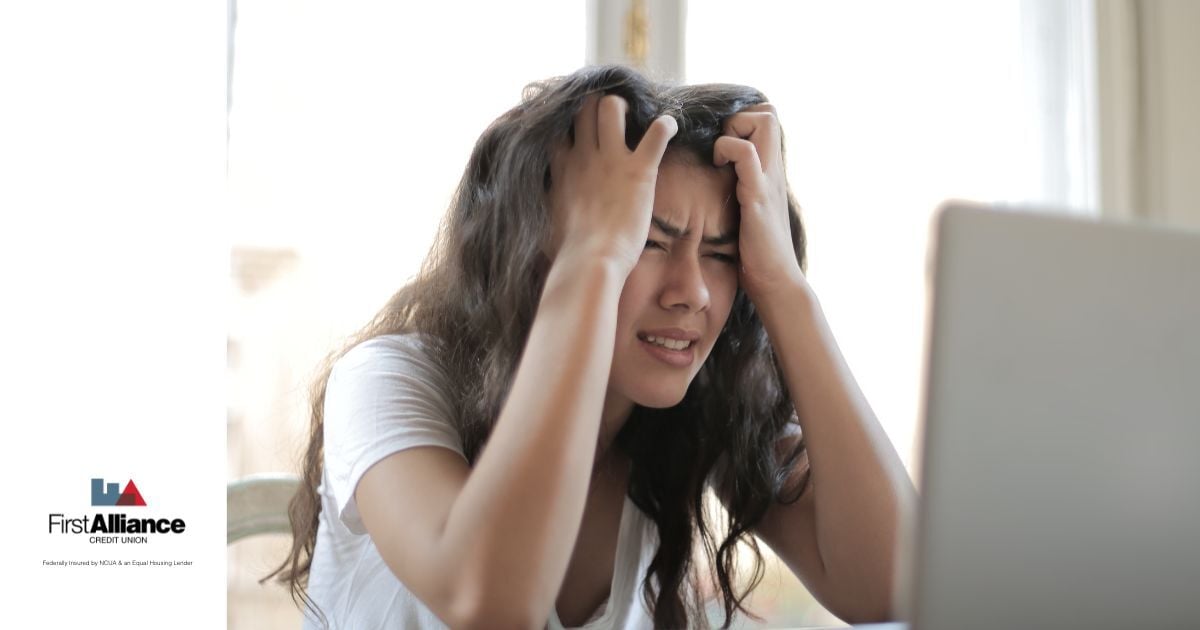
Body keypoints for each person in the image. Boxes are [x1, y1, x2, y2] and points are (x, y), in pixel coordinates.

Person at [266, 65, 916, 629]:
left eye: (721, 254)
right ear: (542, 248)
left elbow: (892, 586)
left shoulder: (693, 410)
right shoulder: (386, 379)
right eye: (648, 242)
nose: (692, 291)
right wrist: (592, 261)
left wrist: (784, 287)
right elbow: (488, 601)